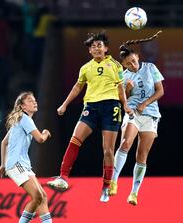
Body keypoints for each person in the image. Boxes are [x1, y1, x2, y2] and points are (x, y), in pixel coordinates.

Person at [47, 30, 133, 202]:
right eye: (93, 47)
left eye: (99, 46)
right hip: (91, 107)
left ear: (106, 48)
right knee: (75, 138)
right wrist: (64, 104)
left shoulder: (116, 66)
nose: (96, 49)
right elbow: (77, 88)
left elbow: (120, 88)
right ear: (89, 51)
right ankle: (63, 178)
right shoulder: (86, 68)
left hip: (111, 107)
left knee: (108, 150)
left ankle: (106, 186)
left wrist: (125, 105)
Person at [109, 38, 164, 206]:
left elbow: (160, 90)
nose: (132, 65)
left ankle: (134, 193)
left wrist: (145, 103)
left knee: (142, 155)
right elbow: (121, 99)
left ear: (138, 57)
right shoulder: (123, 76)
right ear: (124, 65)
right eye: (128, 64)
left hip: (151, 115)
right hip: (132, 113)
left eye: (133, 61)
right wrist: (126, 89)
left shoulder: (150, 68)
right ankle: (113, 181)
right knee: (125, 143)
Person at [0, 91, 53, 223]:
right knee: (37, 195)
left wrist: (3, 165)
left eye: (34, 100)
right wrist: (46, 133)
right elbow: (40, 138)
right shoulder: (25, 119)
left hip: (22, 164)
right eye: (30, 101)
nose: (34, 102)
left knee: (42, 196)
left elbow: (4, 142)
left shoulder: (19, 120)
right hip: (17, 164)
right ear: (22, 106)